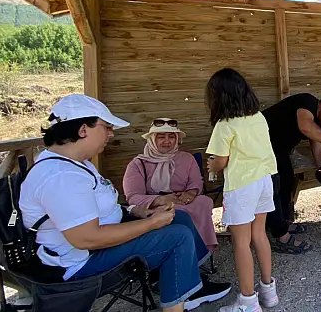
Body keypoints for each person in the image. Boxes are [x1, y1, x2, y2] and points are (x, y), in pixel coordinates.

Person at [18, 94, 231, 312]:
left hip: (99, 242)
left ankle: (188, 284)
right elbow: (87, 238)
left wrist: (136, 211)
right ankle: (179, 301)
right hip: (79, 263)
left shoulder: (77, 165)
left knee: (181, 216)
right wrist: (151, 223)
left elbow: (102, 206)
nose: (111, 134)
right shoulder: (60, 176)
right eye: (106, 127)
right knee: (177, 237)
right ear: (83, 130)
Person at [205, 68, 280, 312]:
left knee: (241, 242)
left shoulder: (224, 125)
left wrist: (211, 165)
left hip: (241, 185)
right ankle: (268, 291)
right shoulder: (258, 117)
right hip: (264, 182)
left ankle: (248, 302)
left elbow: (220, 161)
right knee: (259, 234)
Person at [261, 92, 321, 254]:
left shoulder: (318, 127)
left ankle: (283, 222)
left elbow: (318, 154)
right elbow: (305, 126)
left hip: (277, 151)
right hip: (261, 147)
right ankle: (281, 237)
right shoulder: (307, 102)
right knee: (273, 189)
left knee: (287, 181)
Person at [123, 118, 218, 252]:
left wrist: (191, 193)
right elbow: (132, 197)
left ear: (177, 139)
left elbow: (196, 182)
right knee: (174, 213)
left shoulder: (187, 158)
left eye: (171, 137)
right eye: (161, 137)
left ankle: (199, 250)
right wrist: (160, 200)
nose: (167, 141)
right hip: (156, 205)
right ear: (151, 139)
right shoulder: (137, 164)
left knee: (204, 201)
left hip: (182, 200)